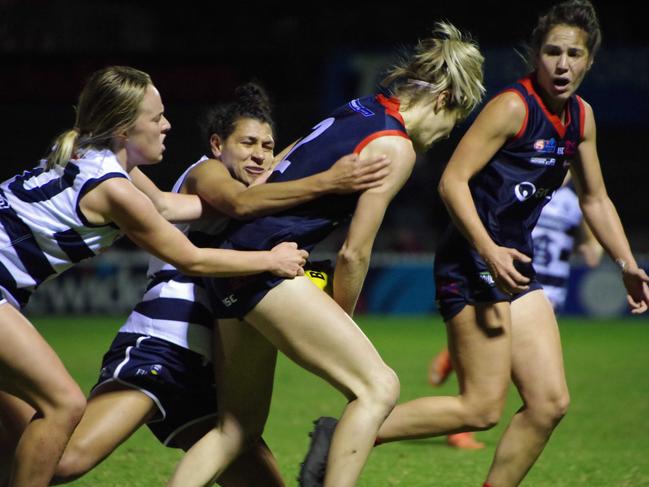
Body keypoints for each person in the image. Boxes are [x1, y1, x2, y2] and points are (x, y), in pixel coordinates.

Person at [302, 2, 649, 486]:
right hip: (472, 260)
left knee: (550, 403)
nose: (562, 64)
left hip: (514, 264)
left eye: (574, 54)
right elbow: (452, 182)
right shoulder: (512, 106)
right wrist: (488, 248)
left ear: (590, 61)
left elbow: (595, 198)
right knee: (480, 408)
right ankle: (344, 433)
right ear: (535, 54)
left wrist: (626, 262)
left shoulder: (581, 119)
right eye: (552, 51)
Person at [10, 82, 387, 487]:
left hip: (207, 360)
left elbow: (196, 204)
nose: (259, 154)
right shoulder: (209, 173)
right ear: (217, 145)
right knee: (64, 460)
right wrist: (330, 180)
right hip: (164, 342)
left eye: (267, 146)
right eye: (247, 142)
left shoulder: (258, 200)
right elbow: (237, 207)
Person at [166, 21, 486, 487]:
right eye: (453, 123)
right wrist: (342, 317)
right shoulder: (395, 147)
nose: (444, 135)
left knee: (235, 427)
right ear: (442, 101)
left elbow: (275, 169)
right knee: (379, 387)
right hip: (267, 264)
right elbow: (355, 252)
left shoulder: (359, 108)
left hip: (231, 260)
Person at [426, 174, 603, 451]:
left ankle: (455, 359)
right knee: (498, 365)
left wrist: (593, 244)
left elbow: (590, 229)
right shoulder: (528, 192)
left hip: (553, 287)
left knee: (517, 361)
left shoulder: (572, 203)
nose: (564, 169)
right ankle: (461, 426)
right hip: (518, 279)